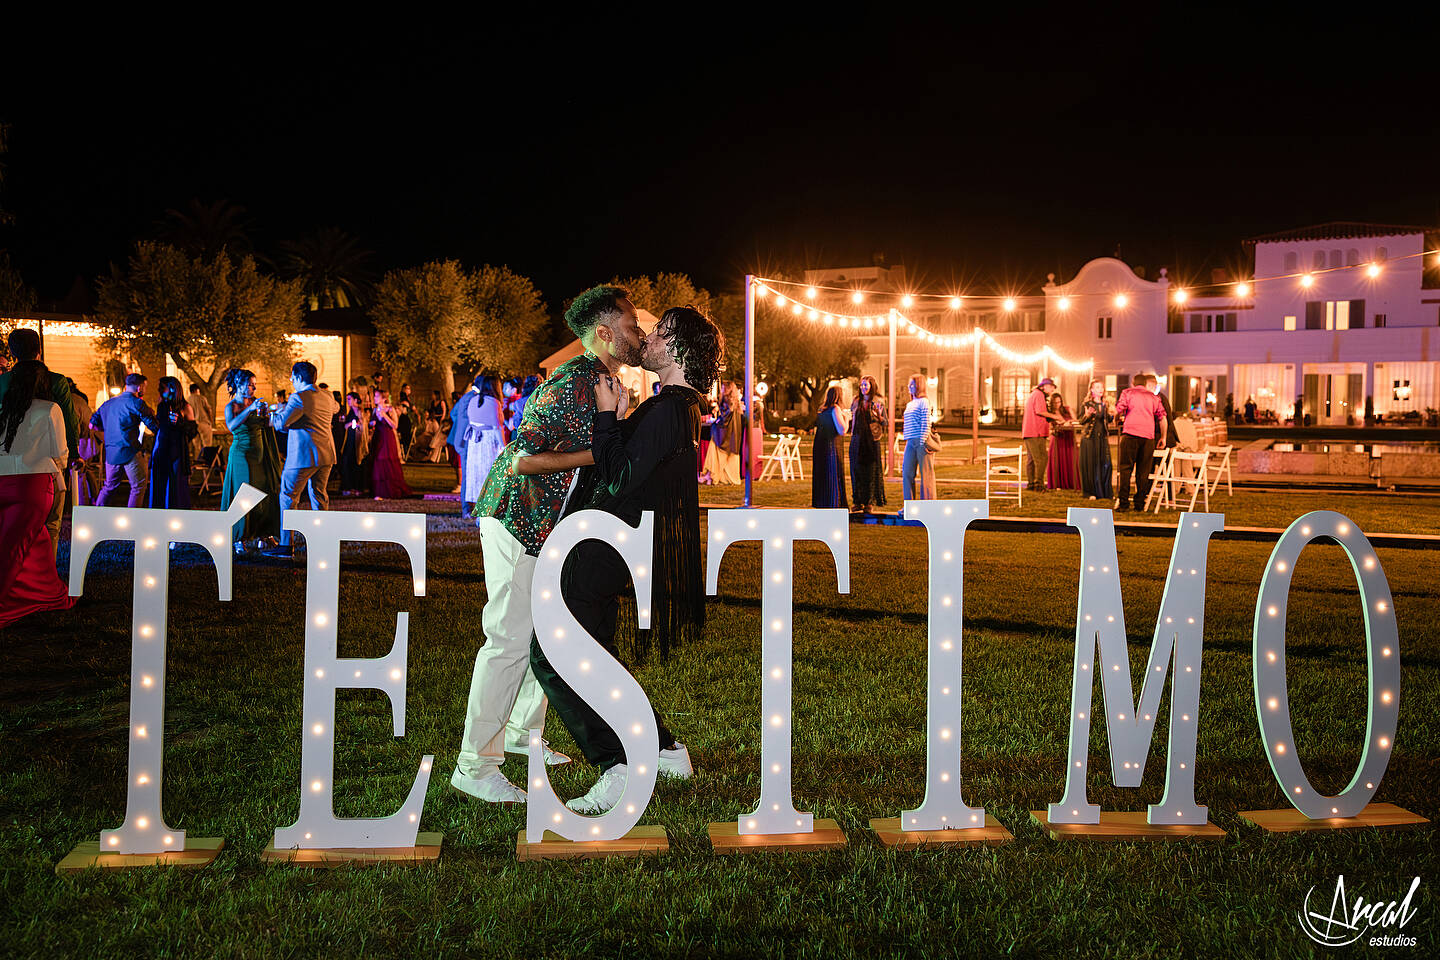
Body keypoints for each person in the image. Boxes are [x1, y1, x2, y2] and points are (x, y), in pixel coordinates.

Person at [514, 305, 720, 812]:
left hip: (604, 547)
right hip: (611, 544)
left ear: (675, 349)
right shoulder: (674, 406)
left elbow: (617, 476)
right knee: (597, 657)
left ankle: (616, 765)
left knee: (553, 656)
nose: (647, 338)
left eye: (659, 333)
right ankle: (665, 749)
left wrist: (607, 416)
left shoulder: (672, 408)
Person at [452, 284, 642, 804]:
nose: (639, 333)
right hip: (517, 519)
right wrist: (595, 455)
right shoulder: (573, 383)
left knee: (547, 630)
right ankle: (475, 765)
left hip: (547, 527)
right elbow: (521, 459)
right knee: (508, 640)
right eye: (630, 326)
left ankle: (520, 733)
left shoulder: (606, 381)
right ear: (604, 334)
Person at [0, 357, 76, 627]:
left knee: (35, 542)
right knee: (15, 548)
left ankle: (47, 592)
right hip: (32, 483)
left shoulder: (3, 408)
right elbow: (60, 451)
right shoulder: (50, 408)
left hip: (2, 480)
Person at [2, 328, 80, 553]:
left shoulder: (3, 382)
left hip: (8, 465)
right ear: (39, 350)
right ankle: (48, 573)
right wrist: (73, 454)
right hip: (47, 464)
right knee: (51, 525)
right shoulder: (56, 382)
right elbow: (68, 421)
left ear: (12, 352)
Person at [267, 361, 338, 555]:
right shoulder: (327, 395)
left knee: (288, 496)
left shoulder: (299, 397)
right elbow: (335, 409)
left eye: (292, 377)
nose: (291, 381)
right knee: (319, 496)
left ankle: (285, 545)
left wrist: (270, 414)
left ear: (298, 378)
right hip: (326, 454)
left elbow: (281, 424)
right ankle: (322, 541)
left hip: (303, 456)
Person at [220, 368, 283, 553]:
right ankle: (240, 537)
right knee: (244, 493)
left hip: (261, 452)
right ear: (239, 385)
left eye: (255, 385)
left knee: (264, 490)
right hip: (242, 453)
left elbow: (266, 425)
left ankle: (264, 534)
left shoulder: (257, 403)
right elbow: (232, 426)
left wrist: (269, 414)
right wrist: (249, 409)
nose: (253, 388)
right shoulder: (231, 406)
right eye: (250, 384)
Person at [91, 373, 159, 508]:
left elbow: (92, 425)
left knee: (109, 486)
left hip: (111, 451)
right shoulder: (137, 403)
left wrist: (109, 433)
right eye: (145, 387)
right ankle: (132, 517)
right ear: (140, 387)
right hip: (130, 450)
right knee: (138, 485)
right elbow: (154, 426)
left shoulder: (107, 404)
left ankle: (98, 512)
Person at [1114, 373, 1167, 511]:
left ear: (1133, 382)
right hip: (1148, 437)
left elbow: (1119, 409)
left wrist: (1115, 420)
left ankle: (1124, 503)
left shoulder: (1127, 392)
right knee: (1143, 472)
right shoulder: (1154, 397)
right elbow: (1162, 418)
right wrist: (1163, 437)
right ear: (1145, 383)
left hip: (1130, 434)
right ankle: (1139, 503)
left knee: (1125, 469)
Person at [147, 376, 196, 509]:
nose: (159, 390)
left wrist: (180, 423)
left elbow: (192, 431)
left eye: (162, 387)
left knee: (175, 487)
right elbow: (159, 429)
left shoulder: (185, 407)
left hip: (176, 451)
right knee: (159, 486)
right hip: (161, 449)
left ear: (173, 389)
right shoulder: (162, 406)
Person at [462, 376, 505, 511]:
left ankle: (479, 508)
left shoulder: (473, 400)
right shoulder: (493, 403)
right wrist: (504, 447)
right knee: (490, 475)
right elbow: (497, 428)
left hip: (475, 442)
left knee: (477, 475)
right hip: (488, 442)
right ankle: (488, 508)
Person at [849, 376, 887, 514]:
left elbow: (885, 422)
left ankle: (868, 502)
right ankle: (857, 501)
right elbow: (851, 418)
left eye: (866, 385)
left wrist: (878, 416)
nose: (863, 387)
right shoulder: (856, 401)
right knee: (856, 471)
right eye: (862, 385)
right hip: (857, 439)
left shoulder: (878, 401)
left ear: (872, 386)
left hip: (872, 440)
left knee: (870, 472)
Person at [370, 388, 413, 499]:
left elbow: (395, 425)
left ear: (383, 398)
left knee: (387, 460)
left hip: (387, 438)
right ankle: (379, 491)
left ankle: (390, 490)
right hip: (378, 437)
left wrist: (384, 415)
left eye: (376, 396)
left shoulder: (390, 409)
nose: (374, 398)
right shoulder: (375, 410)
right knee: (378, 461)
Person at [1021, 378, 1063, 492]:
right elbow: (1039, 411)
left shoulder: (1035, 394)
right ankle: (1038, 484)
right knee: (1041, 458)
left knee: (1031, 459)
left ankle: (1031, 484)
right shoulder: (1039, 394)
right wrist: (1056, 417)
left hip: (1030, 431)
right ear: (1043, 386)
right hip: (1035, 432)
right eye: (1051, 387)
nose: (1052, 389)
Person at [811, 385, 848, 509]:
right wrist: (847, 418)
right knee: (833, 474)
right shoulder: (835, 409)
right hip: (832, 447)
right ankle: (834, 503)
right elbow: (842, 430)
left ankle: (822, 502)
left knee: (822, 475)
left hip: (820, 445)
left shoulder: (822, 409)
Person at [1077, 378, 1114, 501]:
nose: (1100, 390)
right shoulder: (1087, 404)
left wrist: (1112, 414)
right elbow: (1081, 421)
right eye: (1097, 387)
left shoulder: (1105, 404)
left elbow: (1108, 420)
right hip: (1089, 438)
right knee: (1091, 465)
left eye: (1101, 387)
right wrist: (1087, 415)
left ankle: (1104, 492)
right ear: (1092, 390)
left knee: (1105, 463)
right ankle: (1090, 492)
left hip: (1102, 438)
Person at [901, 375, 935, 504]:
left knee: (926, 475)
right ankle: (909, 505)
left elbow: (926, 423)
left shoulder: (924, 402)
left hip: (921, 441)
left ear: (919, 386)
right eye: (909, 384)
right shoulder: (910, 404)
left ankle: (927, 505)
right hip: (910, 441)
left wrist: (923, 442)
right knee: (907, 473)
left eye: (912, 384)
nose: (909, 387)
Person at [707, 382, 744, 484]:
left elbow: (725, 419)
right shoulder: (736, 402)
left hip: (725, 433)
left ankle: (717, 475)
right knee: (731, 454)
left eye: (723, 388)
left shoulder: (728, 401)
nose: (722, 390)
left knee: (715, 448)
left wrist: (716, 422)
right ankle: (727, 477)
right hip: (734, 434)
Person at [446, 380, 478, 497]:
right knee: (461, 460)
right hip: (467, 433)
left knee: (460, 459)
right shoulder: (476, 398)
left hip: (461, 432)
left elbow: (453, 414)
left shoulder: (465, 398)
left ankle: (461, 484)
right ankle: (461, 484)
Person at [1044, 388, 1080, 492]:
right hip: (1057, 439)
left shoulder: (1067, 409)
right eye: (1055, 402)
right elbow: (1050, 428)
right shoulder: (1049, 413)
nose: (1057, 404)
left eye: (1059, 402)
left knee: (1072, 461)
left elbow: (1075, 420)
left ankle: (1071, 483)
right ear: (1051, 403)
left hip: (1069, 438)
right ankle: (1057, 483)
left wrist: (1069, 423)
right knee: (1057, 461)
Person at [338, 391, 371, 496]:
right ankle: (349, 487)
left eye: (349, 399)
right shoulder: (350, 411)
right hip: (350, 440)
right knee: (348, 462)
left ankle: (358, 487)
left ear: (356, 400)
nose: (348, 401)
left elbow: (363, 425)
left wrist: (358, 424)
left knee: (358, 463)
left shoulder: (360, 411)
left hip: (358, 440)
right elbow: (347, 425)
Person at [188, 383, 214, 464]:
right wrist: (211, 421)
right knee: (207, 445)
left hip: (193, 425)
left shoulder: (187, 400)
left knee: (197, 446)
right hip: (204, 423)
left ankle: (198, 462)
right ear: (197, 390)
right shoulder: (202, 398)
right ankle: (208, 462)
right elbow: (209, 410)